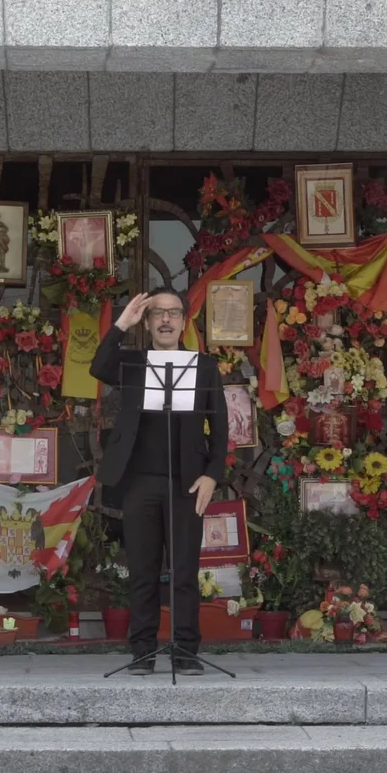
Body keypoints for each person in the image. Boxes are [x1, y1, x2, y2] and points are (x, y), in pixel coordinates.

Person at [90, 288, 229, 676]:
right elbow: (99, 367)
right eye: (158, 314)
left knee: (184, 572)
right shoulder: (133, 363)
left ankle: (185, 652)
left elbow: (220, 428)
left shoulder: (203, 367)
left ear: (184, 322)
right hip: (139, 481)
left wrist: (211, 475)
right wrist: (121, 324)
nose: (166, 320)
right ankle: (143, 651)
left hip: (188, 483)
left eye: (173, 313)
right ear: (148, 322)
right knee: (143, 571)